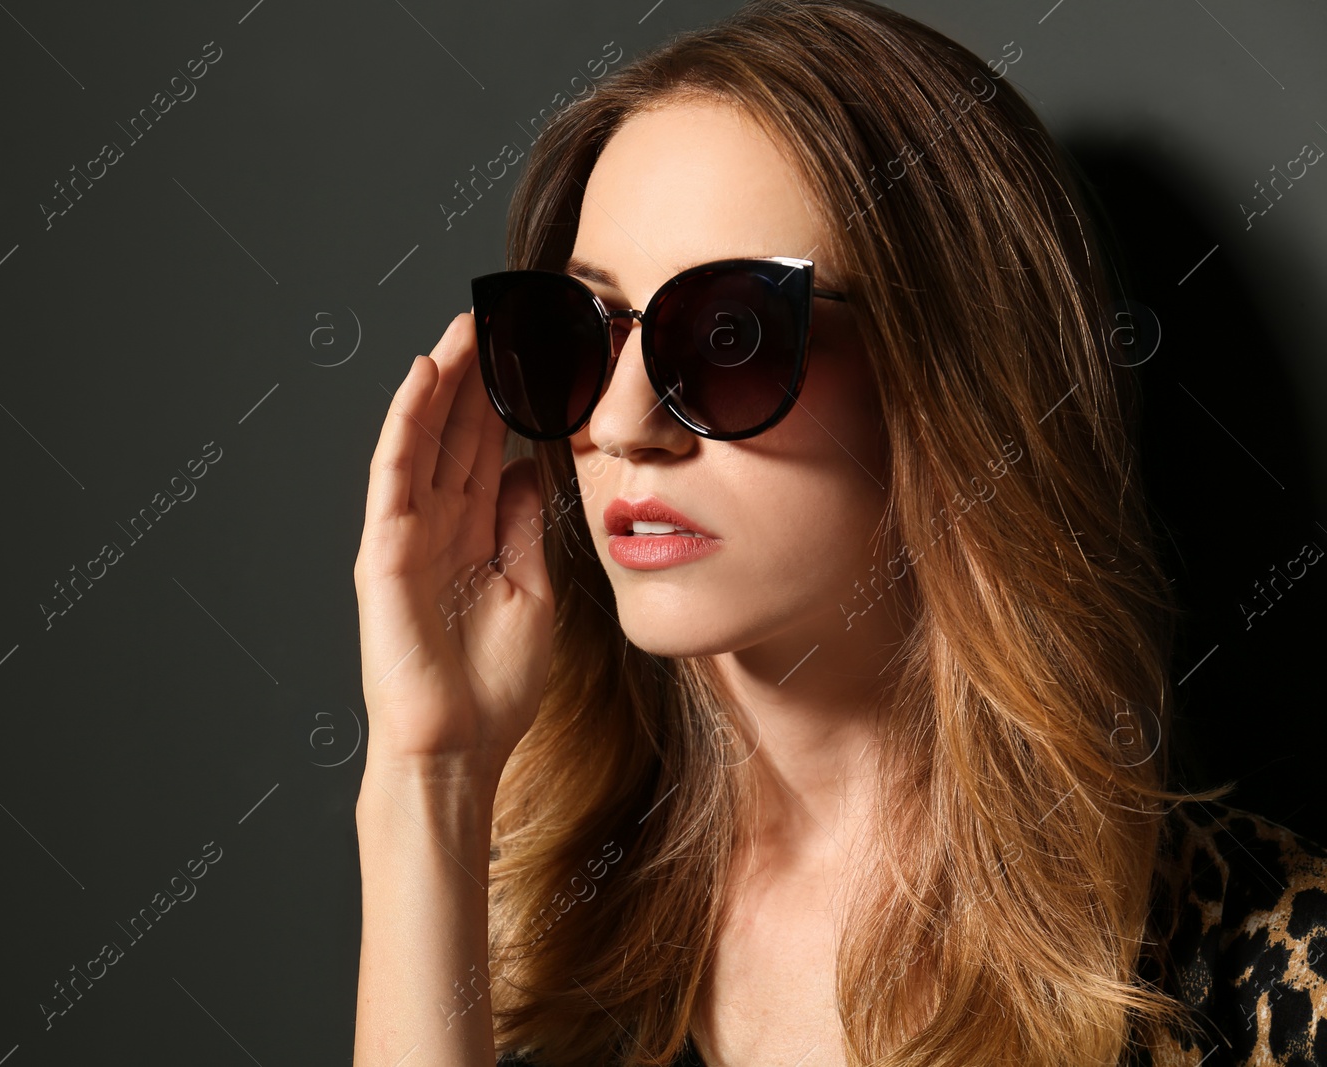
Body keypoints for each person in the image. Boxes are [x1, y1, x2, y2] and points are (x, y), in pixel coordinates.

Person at [351, 2, 1327, 1065]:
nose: (622, 425)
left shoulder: (1261, 963)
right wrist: (428, 770)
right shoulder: (533, 927)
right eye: (580, 332)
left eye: (728, 335)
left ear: (948, 382)